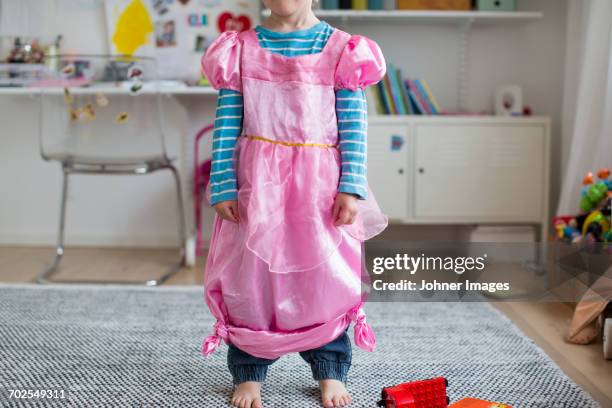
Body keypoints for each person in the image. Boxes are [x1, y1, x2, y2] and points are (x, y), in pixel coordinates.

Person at [201, 1, 388, 406]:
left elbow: (354, 123)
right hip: (259, 185)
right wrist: (222, 184)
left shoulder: (343, 49)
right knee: (252, 278)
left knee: (323, 277)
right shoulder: (240, 48)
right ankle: (248, 370)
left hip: (319, 187)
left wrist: (351, 185)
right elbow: (227, 120)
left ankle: (329, 367)